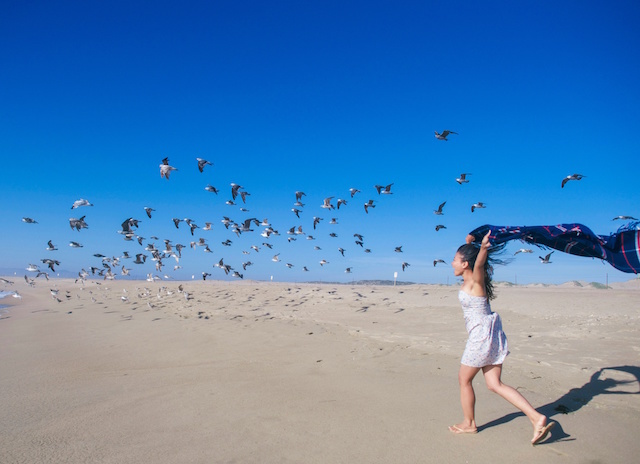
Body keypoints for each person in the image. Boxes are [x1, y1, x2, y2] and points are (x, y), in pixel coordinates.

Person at [449, 231, 555, 445]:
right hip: (491, 334)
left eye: (455, 260)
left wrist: (484, 249)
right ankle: (536, 417)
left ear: (465, 264)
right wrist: (471, 243)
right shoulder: (472, 280)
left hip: (481, 336)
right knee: (494, 384)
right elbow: (476, 264)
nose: (452, 263)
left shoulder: (476, 282)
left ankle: (469, 423)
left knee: (464, 379)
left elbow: (478, 265)